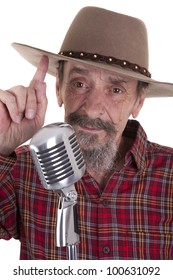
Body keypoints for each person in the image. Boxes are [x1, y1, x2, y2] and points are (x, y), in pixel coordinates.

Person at [0, 6, 173, 260]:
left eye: (115, 90)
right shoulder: (21, 170)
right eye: (80, 84)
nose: (92, 109)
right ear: (58, 88)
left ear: (138, 101)